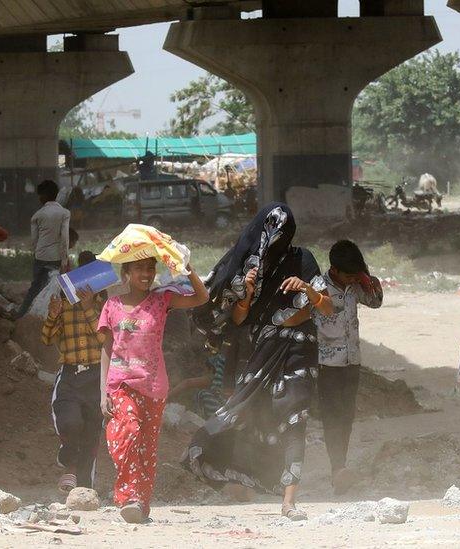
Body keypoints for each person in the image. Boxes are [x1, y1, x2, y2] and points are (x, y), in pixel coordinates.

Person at [185, 203, 333, 521]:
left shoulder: (302, 259)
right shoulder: (249, 270)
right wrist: (248, 294)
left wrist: (307, 288)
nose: (278, 243)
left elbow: (328, 308)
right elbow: (239, 319)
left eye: (284, 236)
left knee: (296, 420)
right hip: (262, 354)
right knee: (254, 418)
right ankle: (253, 479)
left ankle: (289, 500)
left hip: (299, 352)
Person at [98, 257, 208, 524]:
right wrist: (103, 392)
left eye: (150, 268)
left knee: (147, 448)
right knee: (128, 433)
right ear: (126, 273)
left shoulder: (163, 300)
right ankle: (128, 496)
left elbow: (201, 297)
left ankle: (140, 503)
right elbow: (105, 348)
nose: (145, 274)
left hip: (154, 386)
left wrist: (188, 268)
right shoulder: (112, 305)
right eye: (138, 269)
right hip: (121, 384)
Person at [313, 240, 383, 495]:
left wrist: (367, 279)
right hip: (326, 364)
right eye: (348, 274)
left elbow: (375, 302)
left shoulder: (355, 286)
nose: (351, 278)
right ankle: (337, 468)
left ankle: (339, 465)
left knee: (346, 416)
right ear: (334, 269)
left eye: (356, 273)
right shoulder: (318, 287)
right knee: (332, 417)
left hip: (352, 361)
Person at [41, 250, 105, 494]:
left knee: (91, 434)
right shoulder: (64, 307)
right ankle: (68, 463)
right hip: (69, 374)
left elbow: (103, 339)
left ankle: (84, 490)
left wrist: (89, 308)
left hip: (96, 376)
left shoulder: (103, 307)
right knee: (69, 421)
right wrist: (52, 316)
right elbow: (46, 339)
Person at [17, 180, 70, 317]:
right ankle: (52, 317)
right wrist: (64, 260)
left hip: (40, 257)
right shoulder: (64, 213)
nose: (39, 198)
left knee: (35, 288)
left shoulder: (37, 215)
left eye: (40, 195)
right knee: (55, 289)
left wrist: (37, 254)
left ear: (43, 196)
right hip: (56, 258)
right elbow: (64, 238)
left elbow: (34, 241)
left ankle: (22, 314)